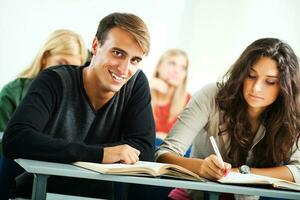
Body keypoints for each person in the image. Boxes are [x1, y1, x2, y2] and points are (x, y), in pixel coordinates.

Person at [2, 12, 155, 199]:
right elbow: (16, 139)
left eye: (135, 60)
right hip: (39, 194)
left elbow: (144, 150)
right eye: (117, 53)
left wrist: (84, 152)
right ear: (96, 45)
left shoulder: (135, 83)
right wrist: (100, 154)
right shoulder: (54, 80)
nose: (124, 69)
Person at [155, 38, 300, 200]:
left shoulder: (291, 115)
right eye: (251, 76)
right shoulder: (210, 96)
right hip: (193, 196)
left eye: (270, 82)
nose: (256, 88)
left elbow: (298, 171)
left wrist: (242, 172)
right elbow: (163, 154)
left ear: (286, 87)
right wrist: (201, 167)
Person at [0, 28, 88, 200]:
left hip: (63, 169)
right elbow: (5, 144)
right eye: (61, 63)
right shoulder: (13, 92)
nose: (65, 71)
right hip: (17, 166)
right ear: (45, 57)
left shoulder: (77, 99)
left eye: (72, 67)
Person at [150, 49, 190, 141]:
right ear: (159, 66)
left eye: (183, 68)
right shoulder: (142, 92)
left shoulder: (188, 101)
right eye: (172, 63)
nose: (177, 70)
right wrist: (146, 87)